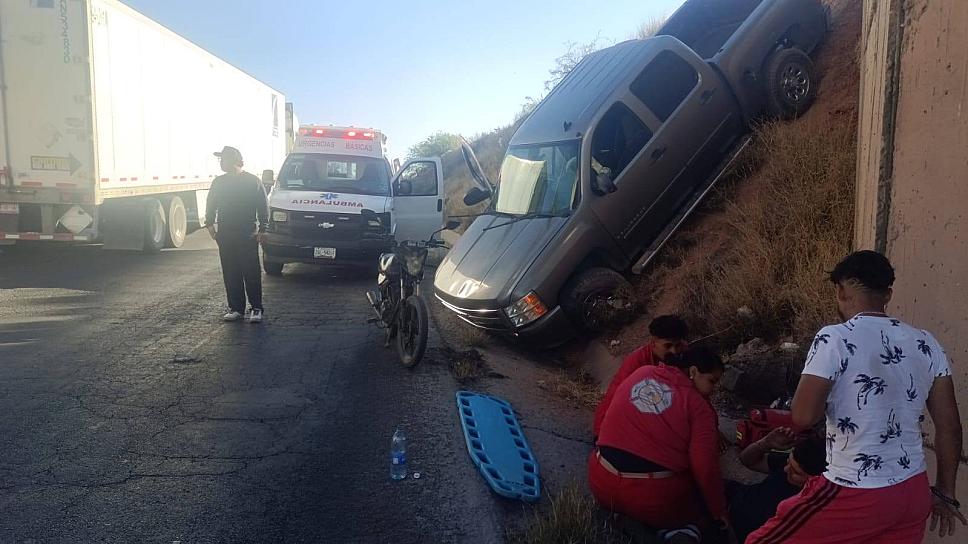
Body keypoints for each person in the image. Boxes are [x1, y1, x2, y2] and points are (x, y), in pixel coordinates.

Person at [748, 250, 966, 543]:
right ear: (887, 294)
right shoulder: (927, 343)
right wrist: (945, 492)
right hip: (913, 491)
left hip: (856, 490)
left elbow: (803, 416)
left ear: (840, 290)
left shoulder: (834, 338)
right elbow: (950, 427)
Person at [588, 345, 728, 539]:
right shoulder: (698, 406)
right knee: (695, 511)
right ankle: (677, 530)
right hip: (652, 496)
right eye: (712, 381)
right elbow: (705, 468)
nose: (714, 389)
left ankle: (623, 515)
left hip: (600, 480)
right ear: (693, 371)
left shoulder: (642, 372)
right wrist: (718, 510)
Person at [593, 315, 689, 436]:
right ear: (653, 342)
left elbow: (695, 393)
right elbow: (616, 398)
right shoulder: (637, 362)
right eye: (668, 346)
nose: (674, 351)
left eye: (678, 345)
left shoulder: (685, 353)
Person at [206, 146, 269, 323]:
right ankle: (236, 308)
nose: (221, 163)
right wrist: (210, 225)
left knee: (251, 272)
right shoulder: (219, 182)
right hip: (225, 234)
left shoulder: (252, 181)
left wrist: (263, 229)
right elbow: (211, 203)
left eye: (223, 159)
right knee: (230, 271)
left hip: (247, 233)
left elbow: (263, 207)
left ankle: (256, 308)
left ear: (233, 160)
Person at [727, 429, 827, 542]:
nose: (785, 469)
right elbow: (748, 461)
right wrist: (764, 444)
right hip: (733, 500)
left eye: (796, 472)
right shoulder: (798, 460)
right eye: (788, 462)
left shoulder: (813, 509)